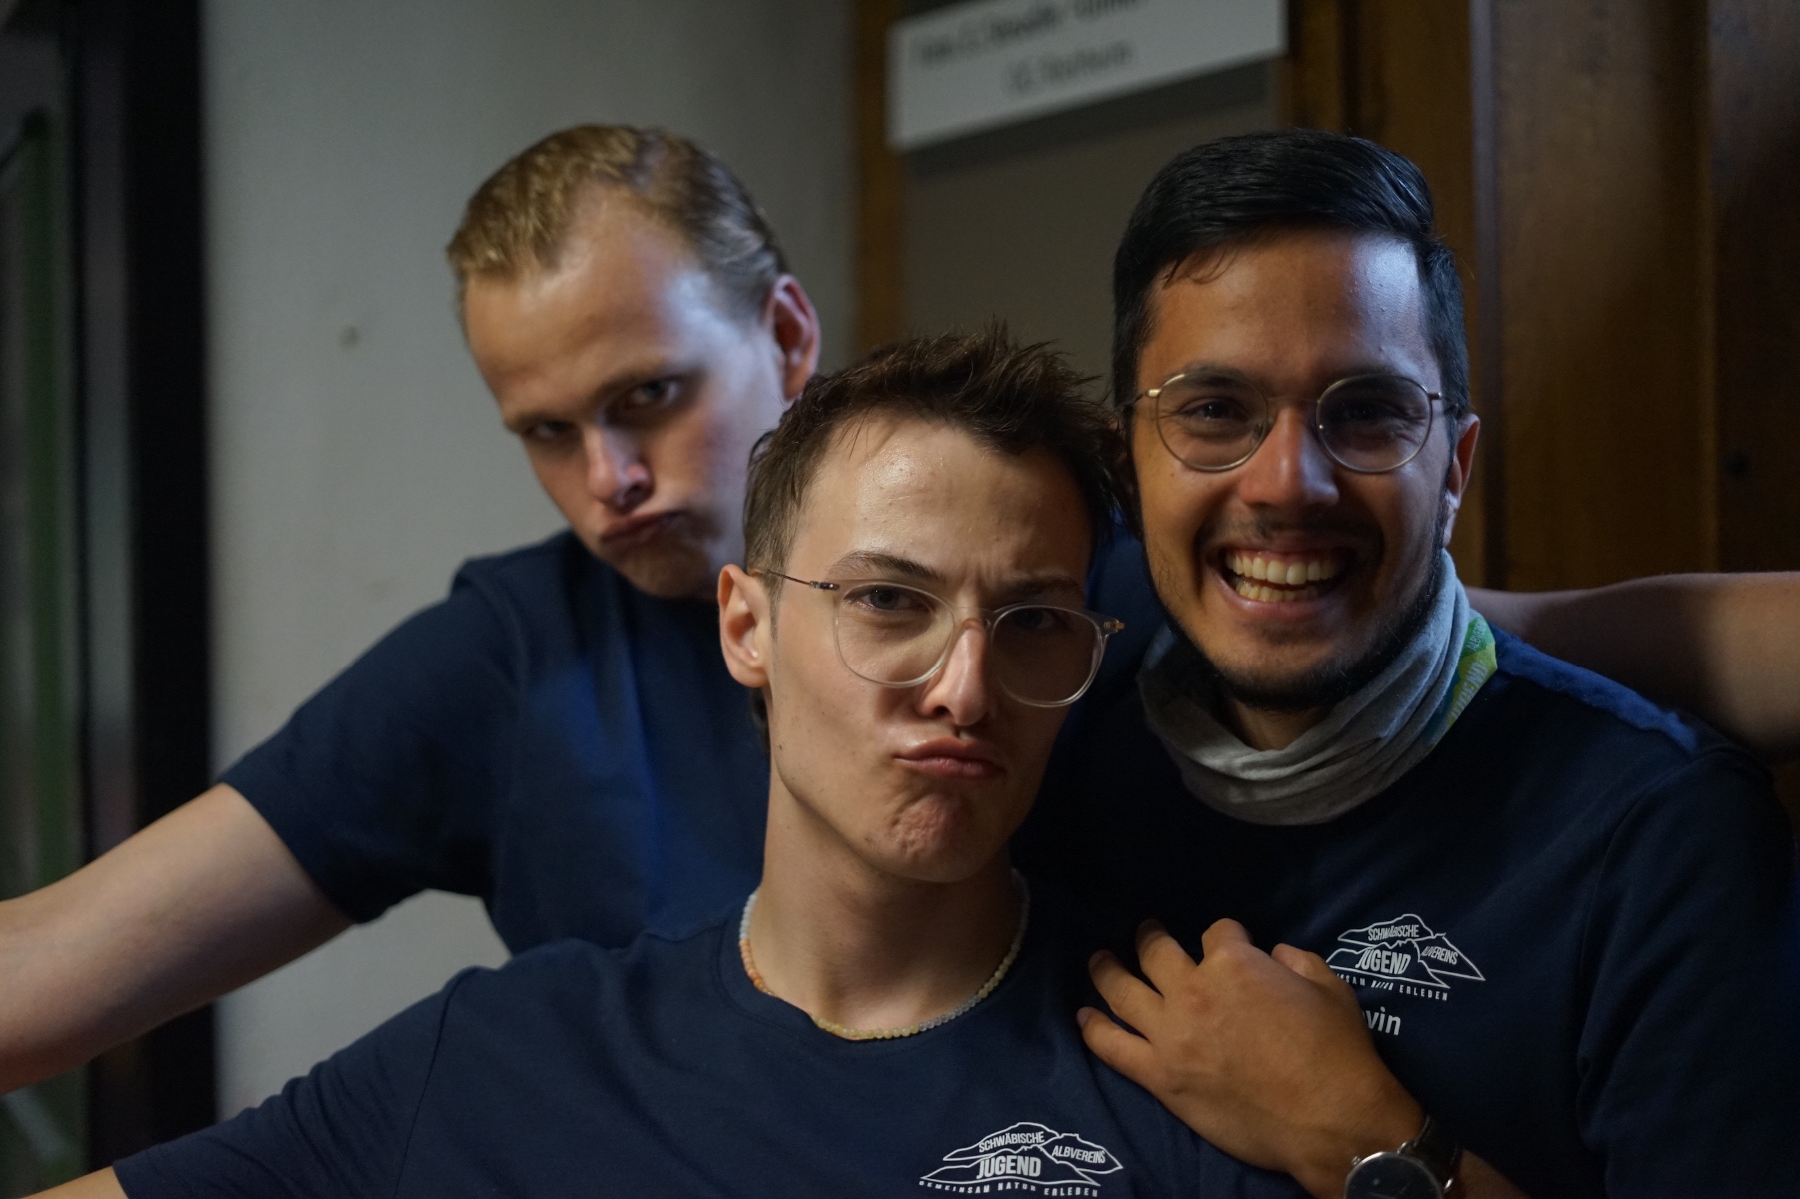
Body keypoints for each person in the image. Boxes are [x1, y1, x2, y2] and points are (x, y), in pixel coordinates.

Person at [0, 119, 1795, 1116]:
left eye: (647, 399)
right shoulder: (501, 691)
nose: (607, 480)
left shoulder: (1092, 590)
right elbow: (58, 971)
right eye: (543, 432)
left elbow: (1472, 634)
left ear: (785, 336)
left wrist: (1370, 1150)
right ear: (745, 631)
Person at [35, 330, 1311, 1199]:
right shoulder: (508, 1061)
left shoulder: (1190, 1062)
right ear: (746, 627)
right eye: (887, 602)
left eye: (1031, 622)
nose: (964, 688)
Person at [1021, 129, 1800, 1199]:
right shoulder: (1044, 763)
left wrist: (1367, 1141)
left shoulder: (1659, 840)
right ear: (1129, 468)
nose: (1287, 483)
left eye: (1366, 413)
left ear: (1455, 469)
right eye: (1213, 412)